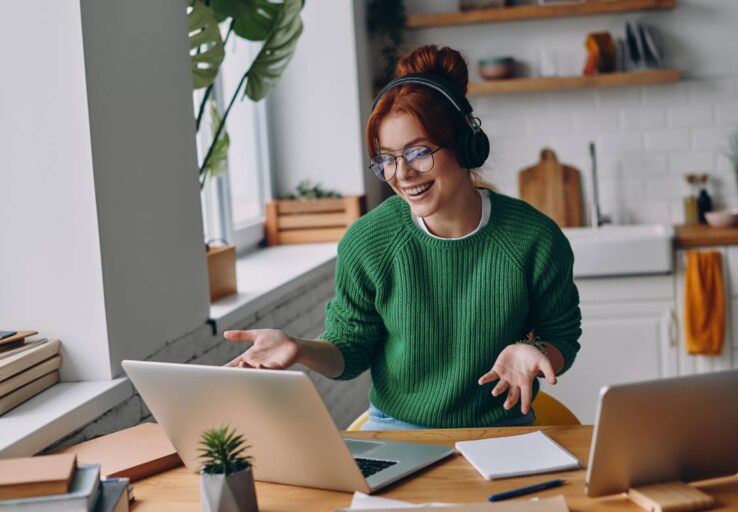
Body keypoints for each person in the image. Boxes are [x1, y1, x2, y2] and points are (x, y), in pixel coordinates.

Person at [223, 45, 581, 430]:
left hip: (501, 429)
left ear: (466, 145)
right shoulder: (368, 241)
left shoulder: (534, 238)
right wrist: (300, 349)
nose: (402, 174)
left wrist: (534, 350)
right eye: (387, 158)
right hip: (397, 430)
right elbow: (350, 350)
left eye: (418, 152)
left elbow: (561, 335)